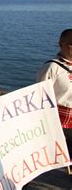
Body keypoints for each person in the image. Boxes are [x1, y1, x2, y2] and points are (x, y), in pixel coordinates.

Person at [37, 29, 72, 167]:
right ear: (61, 44)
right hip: (59, 123)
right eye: (71, 44)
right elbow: (40, 96)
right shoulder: (52, 67)